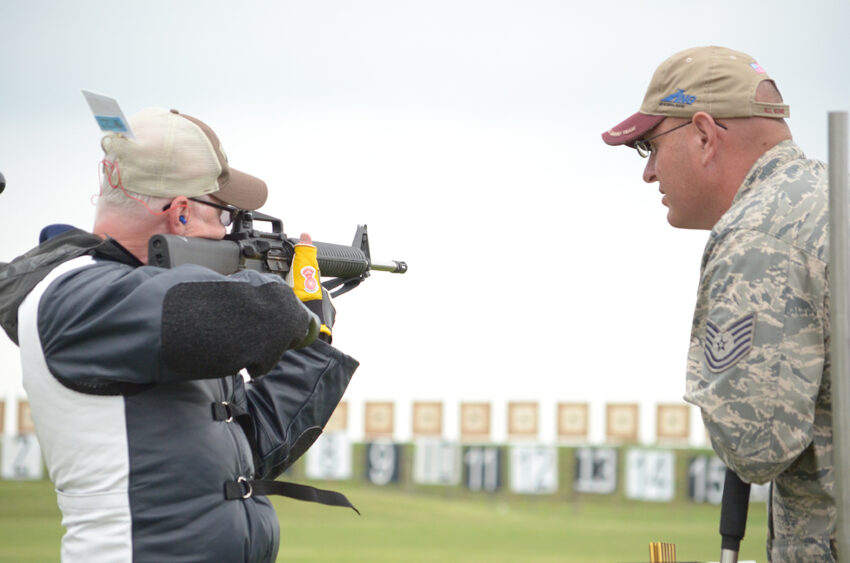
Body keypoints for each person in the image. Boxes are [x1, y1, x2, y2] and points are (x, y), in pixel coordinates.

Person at [0, 107, 359, 561]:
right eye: (225, 215)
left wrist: (314, 341)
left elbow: (251, 450)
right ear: (183, 214)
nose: (229, 232)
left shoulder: (167, 319)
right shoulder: (78, 295)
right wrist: (290, 305)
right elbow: (258, 314)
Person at [602, 46, 834, 561]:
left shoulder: (761, 234)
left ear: (704, 136)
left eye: (649, 148)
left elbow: (755, 445)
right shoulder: (827, 198)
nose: (649, 173)